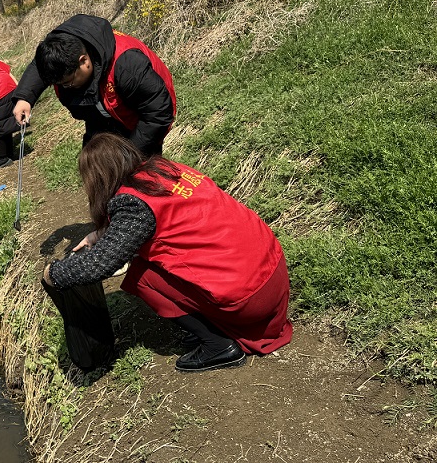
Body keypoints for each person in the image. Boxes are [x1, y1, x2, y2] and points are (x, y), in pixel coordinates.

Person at [43, 133, 293, 373]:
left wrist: (54, 273)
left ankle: (217, 346)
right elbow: (155, 220)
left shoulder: (132, 205)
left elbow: (102, 263)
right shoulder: (164, 171)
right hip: (272, 274)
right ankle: (203, 324)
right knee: (152, 258)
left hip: (249, 298)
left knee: (141, 276)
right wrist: (99, 234)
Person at [12, 14, 176, 155]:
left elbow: (158, 113)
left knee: (140, 175)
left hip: (141, 116)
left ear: (83, 61)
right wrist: (24, 98)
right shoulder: (60, 47)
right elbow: (43, 65)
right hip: (101, 113)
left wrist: (131, 153)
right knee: (96, 165)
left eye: (68, 83)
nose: (65, 87)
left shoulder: (127, 66)